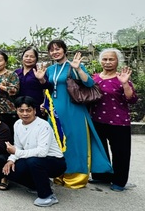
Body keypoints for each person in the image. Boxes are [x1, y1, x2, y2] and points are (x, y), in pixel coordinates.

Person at [46, 39, 112, 188]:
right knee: (57, 143)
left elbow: (89, 84)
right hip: (55, 112)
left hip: (73, 111)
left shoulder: (75, 66)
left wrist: (79, 69)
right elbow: (49, 89)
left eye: (58, 49)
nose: (55, 52)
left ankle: (75, 176)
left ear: (64, 50)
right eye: (52, 50)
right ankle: (59, 174)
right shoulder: (50, 69)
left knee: (74, 143)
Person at [3, 96, 67, 207]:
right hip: (32, 159)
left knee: (33, 161)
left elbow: (42, 152)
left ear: (34, 110)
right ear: (16, 111)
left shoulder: (43, 126)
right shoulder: (17, 124)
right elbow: (18, 146)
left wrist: (16, 153)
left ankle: (47, 196)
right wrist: (11, 160)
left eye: (28, 110)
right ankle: (37, 185)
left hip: (55, 162)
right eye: (21, 110)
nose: (25, 114)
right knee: (10, 170)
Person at [90, 48, 138, 191]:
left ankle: (119, 181)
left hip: (118, 122)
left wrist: (125, 83)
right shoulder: (95, 78)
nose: (108, 62)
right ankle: (101, 176)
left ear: (117, 61)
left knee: (120, 152)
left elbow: (132, 99)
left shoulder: (121, 78)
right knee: (100, 150)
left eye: (111, 59)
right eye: (105, 59)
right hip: (97, 120)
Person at [0, 51, 19, 132]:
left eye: (0, 60)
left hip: (9, 111)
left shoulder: (11, 74)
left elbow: (15, 90)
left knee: (9, 134)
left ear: (5, 62)